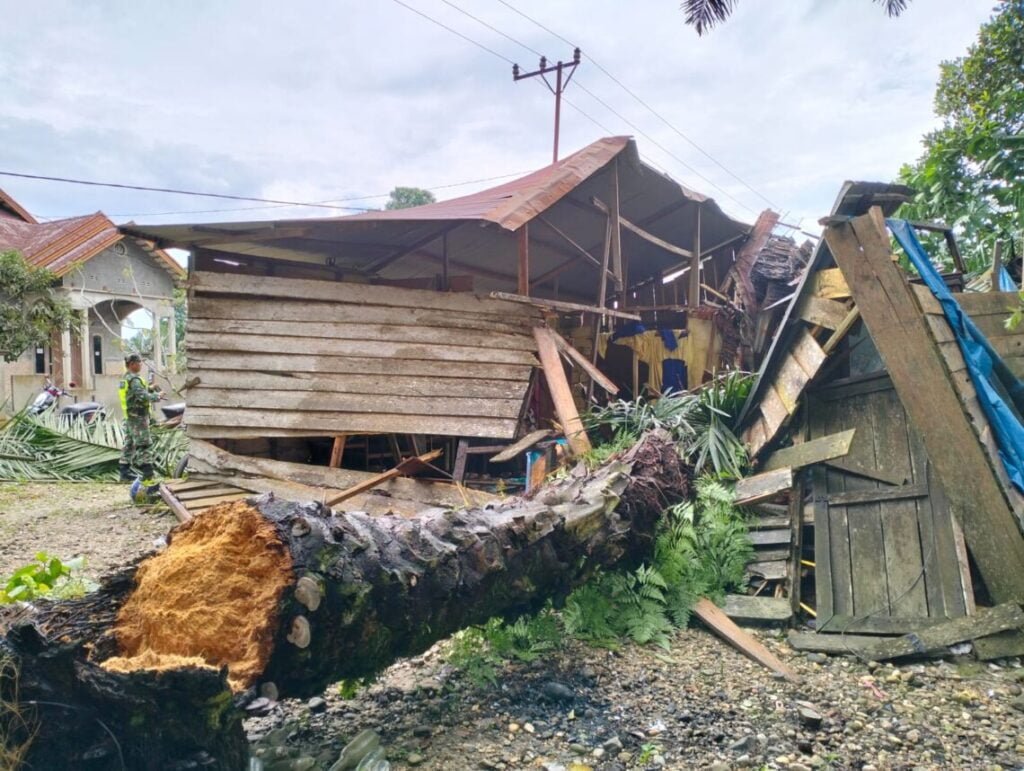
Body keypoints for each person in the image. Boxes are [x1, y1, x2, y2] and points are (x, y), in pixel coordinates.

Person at [118, 354, 164, 482]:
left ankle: (124, 472)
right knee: (144, 444)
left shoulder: (126, 378)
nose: (141, 365)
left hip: (129, 415)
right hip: (138, 417)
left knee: (129, 444)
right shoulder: (134, 379)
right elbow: (142, 396)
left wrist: (149, 388)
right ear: (132, 364)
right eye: (139, 362)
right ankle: (148, 473)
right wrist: (157, 396)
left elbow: (133, 393)